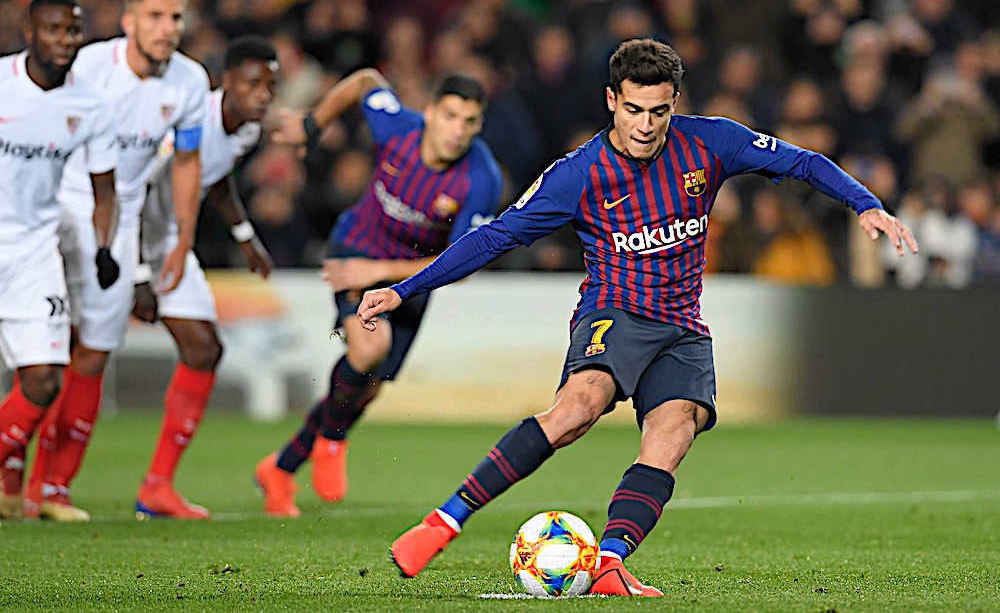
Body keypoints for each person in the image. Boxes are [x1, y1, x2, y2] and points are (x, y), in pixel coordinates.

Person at [355, 38, 919, 596]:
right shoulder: (577, 175)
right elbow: (494, 237)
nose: (645, 126)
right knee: (578, 408)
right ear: (611, 100)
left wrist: (866, 203)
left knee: (674, 431)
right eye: (633, 110)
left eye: (658, 111)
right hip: (615, 311)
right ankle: (444, 521)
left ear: (675, 102)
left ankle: (609, 564)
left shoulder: (713, 142)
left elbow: (803, 161)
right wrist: (404, 290)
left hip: (682, 327)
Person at [255, 68, 503, 517]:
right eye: (450, 116)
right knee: (370, 347)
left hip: (411, 279)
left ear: (480, 125)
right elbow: (365, 80)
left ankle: (281, 468)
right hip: (355, 250)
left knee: (365, 390)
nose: (457, 130)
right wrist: (312, 123)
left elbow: (462, 264)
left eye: (469, 121)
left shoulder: (481, 178)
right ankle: (332, 440)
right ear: (430, 112)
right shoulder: (397, 126)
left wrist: (382, 272)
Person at [9, 0, 210, 522]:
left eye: (175, 17)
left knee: (94, 352)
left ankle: (53, 488)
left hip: (116, 221)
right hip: (54, 210)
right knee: (43, 349)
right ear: (128, 22)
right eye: (155, 16)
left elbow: (187, 161)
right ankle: (12, 474)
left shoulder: (190, 81)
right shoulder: (90, 65)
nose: (167, 28)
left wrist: (181, 239)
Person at [126, 35, 278, 519]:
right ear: (225, 82)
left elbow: (216, 176)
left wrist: (244, 234)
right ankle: (38, 483)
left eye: (269, 86)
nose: (263, 95)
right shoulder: (189, 120)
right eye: (252, 84)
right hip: (120, 236)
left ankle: (157, 486)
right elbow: (133, 187)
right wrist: (138, 273)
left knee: (205, 349)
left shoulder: (247, 131)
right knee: (72, 354)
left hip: (170, 243)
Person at [0, 0, 120, 520]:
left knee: (44, 379)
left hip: (34, 252)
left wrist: (103, 246)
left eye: (73, 31)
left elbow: (105, 190)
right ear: (29, 33)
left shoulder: (90, 104)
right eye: (53, 30)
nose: (65, 41)